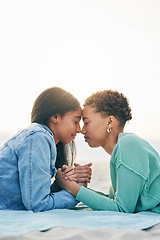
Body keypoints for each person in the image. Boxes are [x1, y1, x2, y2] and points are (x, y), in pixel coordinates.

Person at [56, 90, 160, 213]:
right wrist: (78, 185)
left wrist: (70, 187)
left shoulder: (128, 144)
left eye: (87, 123)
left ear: (110, 122)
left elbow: (122, 208)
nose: (82, 130)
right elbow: (112, 200)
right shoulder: (122, 148)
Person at [0, 87, 92, 212]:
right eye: (76, 121)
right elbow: (37, 204)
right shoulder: (38, 138)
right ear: (55, 117)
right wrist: (78, 191)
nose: (80, 129)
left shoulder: (41, 138)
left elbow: (34, 194)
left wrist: (68, 180)